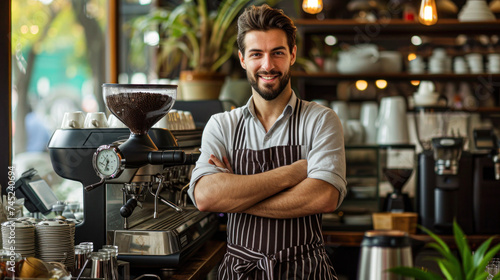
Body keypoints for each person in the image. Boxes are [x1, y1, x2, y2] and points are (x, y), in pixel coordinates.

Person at [188, 4, 346, 279]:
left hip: (306, 271)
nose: (268, 65)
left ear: (293, 55)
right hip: (240, 272)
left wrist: (235, 197)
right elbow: (206, 196)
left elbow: (323, 196)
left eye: (278, 53)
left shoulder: (321, 120)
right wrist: (294, 172)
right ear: (242, 59)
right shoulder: (222, 125)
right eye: (256, 54)